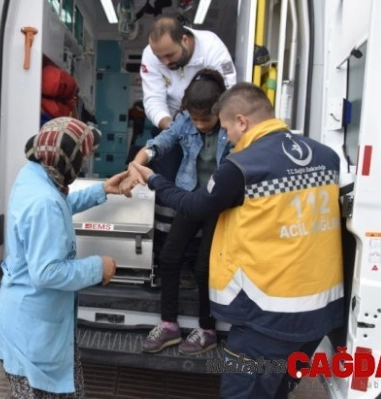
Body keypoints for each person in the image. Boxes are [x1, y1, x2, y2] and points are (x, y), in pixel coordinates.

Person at [131, 82, 344, 398]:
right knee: (277, 387)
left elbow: (196, 205)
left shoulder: (243, 166)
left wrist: (154, 179)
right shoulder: (327, 157)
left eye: (228, 128)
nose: (227, 136)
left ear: (242, 121)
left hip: (268, 318)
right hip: (320, 315)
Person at [0, 117, 127, 398]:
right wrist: (97, 266)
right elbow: (48, 272)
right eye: (83, 157)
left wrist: (101, 190)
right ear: (68, 160)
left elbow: (59, 207)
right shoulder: (44, 200)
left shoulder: (33, 174)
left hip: (24, 319)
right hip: (32, 334)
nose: (85, 163)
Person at [125, 69, 232, 355]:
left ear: (220, 110)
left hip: (220, 205)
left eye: (205, 119)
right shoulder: (185, 122)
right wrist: (137, 166)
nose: (198, 125)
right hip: (191, 197)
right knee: (170, 258)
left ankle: (207, 329)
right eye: (194, 119)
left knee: (203, 267)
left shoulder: (233, 127)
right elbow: (160, 143)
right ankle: (169, 325)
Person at [140, 15, 236, 132]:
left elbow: (229, 90)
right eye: (159, 57)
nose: (165, 62)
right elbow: (153, 99)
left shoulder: (211, 46)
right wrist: (173, 129)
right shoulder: (149, 55)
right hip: (174, 123)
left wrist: (212, 123)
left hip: (212, 121)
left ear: (184, 40)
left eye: (169, 55)